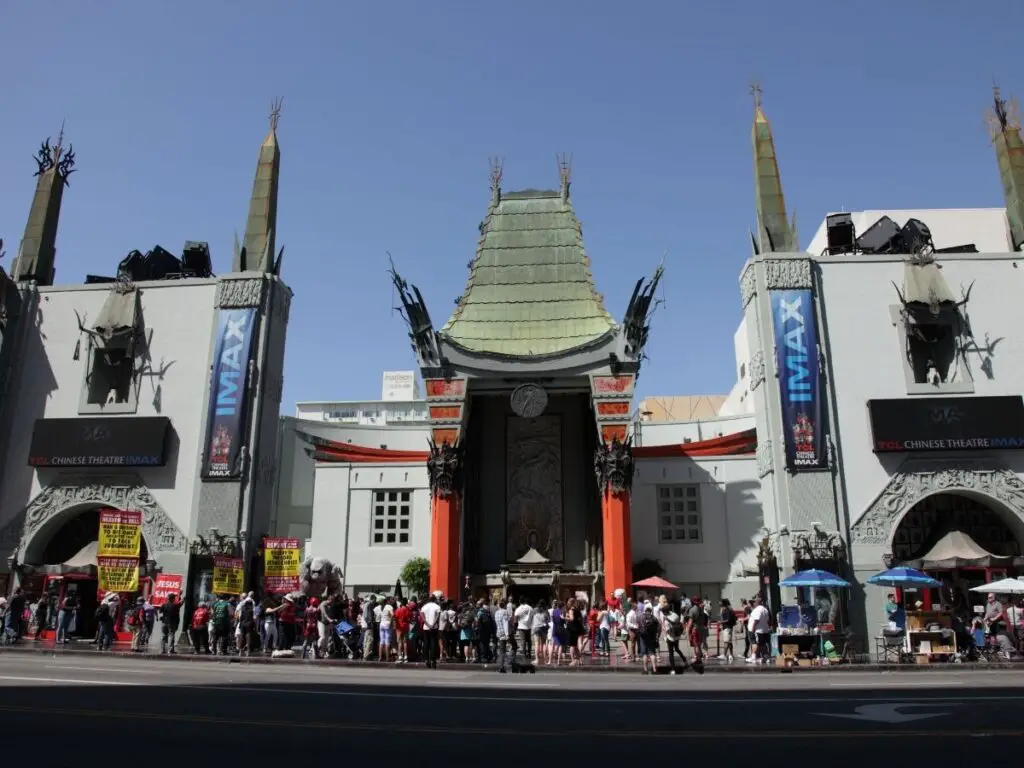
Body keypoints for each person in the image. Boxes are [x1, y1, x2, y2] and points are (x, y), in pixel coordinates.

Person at [420, 595, 441, 669]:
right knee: (433, 643)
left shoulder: (424, 607)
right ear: (435, 599)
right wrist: (432, 625)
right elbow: (437, 617)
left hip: (426, 628)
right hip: (434, 627)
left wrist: (428, 625)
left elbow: (422, 617)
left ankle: (426, 659)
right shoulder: (437, 606)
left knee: (426, 643)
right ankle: (433, 659)